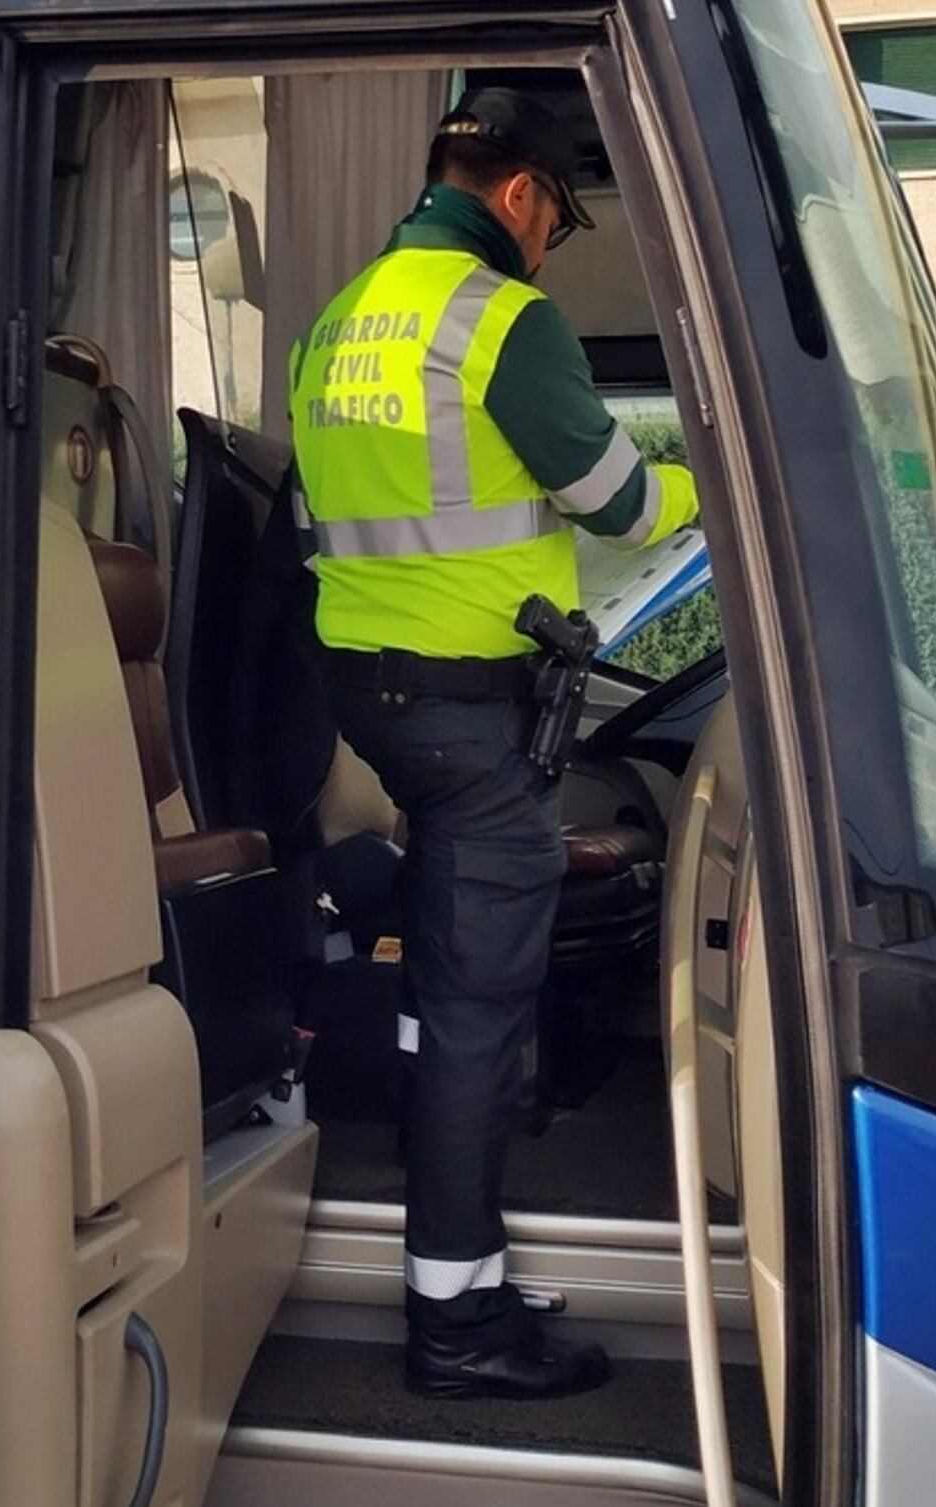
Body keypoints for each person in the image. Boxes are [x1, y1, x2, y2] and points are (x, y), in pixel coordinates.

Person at [288, 86, 701, 1401]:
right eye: (560, 221)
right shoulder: (500, 320)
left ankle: (446, 1239)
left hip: (376, 704)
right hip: (471, 720)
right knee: (477, 1012)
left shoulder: (335, 323)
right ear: (521, 194)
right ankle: (455, 1322)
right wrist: (727, 482)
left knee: (439, 987)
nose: (550, 246)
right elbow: (625, 504)